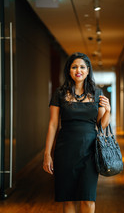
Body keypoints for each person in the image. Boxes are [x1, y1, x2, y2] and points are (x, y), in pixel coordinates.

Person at [43, 52, 111, 213]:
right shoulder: (60, 94)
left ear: (88, 70)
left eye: (82, 67)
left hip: (90, 150)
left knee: (88, 198)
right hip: (65, 151)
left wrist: (108, 111)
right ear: (69, 70)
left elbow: (101, 126)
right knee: (68, 199)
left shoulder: (97, 93)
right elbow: (53, 125)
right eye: (74, 67)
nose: (78, 70)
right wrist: (47, 154)